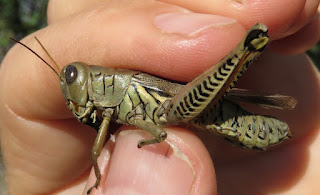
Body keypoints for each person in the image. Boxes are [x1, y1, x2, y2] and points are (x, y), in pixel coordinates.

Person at [0, 0, 319, 194]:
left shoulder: (120, 86)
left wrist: (154, 134)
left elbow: (157, 124)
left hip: (186, 106)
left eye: (72, 77)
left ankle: (249, 46)